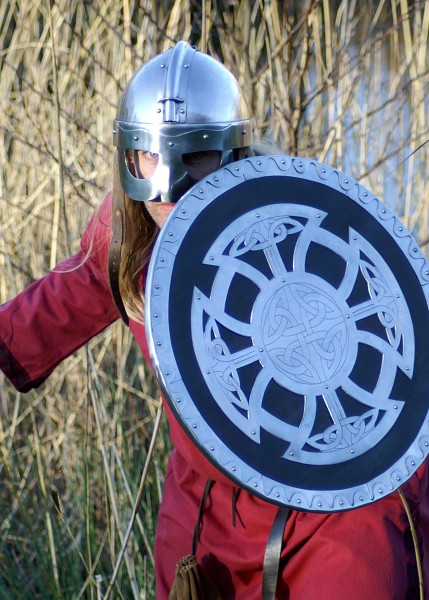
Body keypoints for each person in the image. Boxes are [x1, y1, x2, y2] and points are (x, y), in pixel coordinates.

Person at [0, 41, 428, 600]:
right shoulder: (127, 240)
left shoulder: (305, 228)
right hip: (205, 511)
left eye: (194, 155)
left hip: (332, 509)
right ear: (129, 157)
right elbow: (50, 308)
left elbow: (397, 369)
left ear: (232, 152)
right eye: (150, 155)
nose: (170, 181)